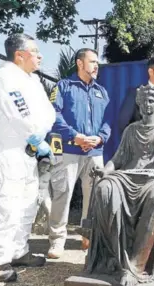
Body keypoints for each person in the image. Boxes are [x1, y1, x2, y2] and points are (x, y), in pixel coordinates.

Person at [85, 85, 154, 286]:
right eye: (142, 102)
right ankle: (114, 259)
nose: (146, 105)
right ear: (138, 106)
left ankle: (135, 267)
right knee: (104, 189)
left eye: (150, 101)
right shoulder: (131, 130)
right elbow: (116, 160)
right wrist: (104, 171)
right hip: (129, 177)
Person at [0, 33, 55, 282]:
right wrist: (34, 136)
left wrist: (39, 137)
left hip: (30, 151)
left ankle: (19, 250)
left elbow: (48, 112)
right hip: (7, 150)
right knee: (4, 204)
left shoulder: (34, 80)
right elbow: (17, 111)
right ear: (19, 55)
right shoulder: (3, 76)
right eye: (35, 51)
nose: (39, 56)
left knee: (27, 203)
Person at [47, 48, 111, 259]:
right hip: (68, 149)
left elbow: (109, 120)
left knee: (95, 197)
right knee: (62, 194)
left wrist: (100, 137)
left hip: (95, 151)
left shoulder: (102, 91)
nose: (96, 66)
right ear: (79, 63)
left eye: (97, 63)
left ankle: (89, 236)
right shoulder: (63, 87)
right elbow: (53, 114)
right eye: (92, 62)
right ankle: (57, 240)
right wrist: (76, 137)